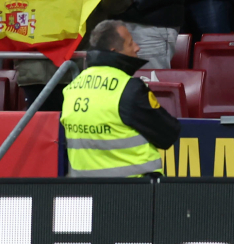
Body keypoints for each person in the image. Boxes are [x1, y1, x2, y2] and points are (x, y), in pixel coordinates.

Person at [60, 18, 181, 178]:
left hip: (87, 191)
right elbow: (168, 134)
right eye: (131, 43)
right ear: (114, 51)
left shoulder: (72, 89)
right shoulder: (128, 88)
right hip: (135, 192)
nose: (137, 48)